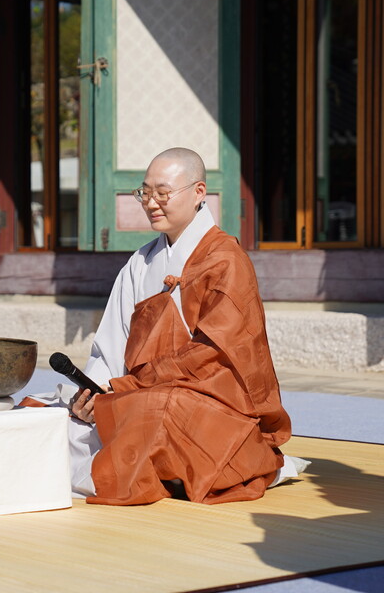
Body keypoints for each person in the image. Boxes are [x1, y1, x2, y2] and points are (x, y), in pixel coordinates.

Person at [65, 147, 299, 506]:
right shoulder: (140, 263)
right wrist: (95, 391)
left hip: (211, 401)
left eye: (163, 193)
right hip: (137, 392)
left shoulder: (226, 261)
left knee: (161, 407)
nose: (151, 203)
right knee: (58, 413)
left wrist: (127, 387)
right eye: (145, 193)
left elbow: (215, 357)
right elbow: (111, 343)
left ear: (199, 193)